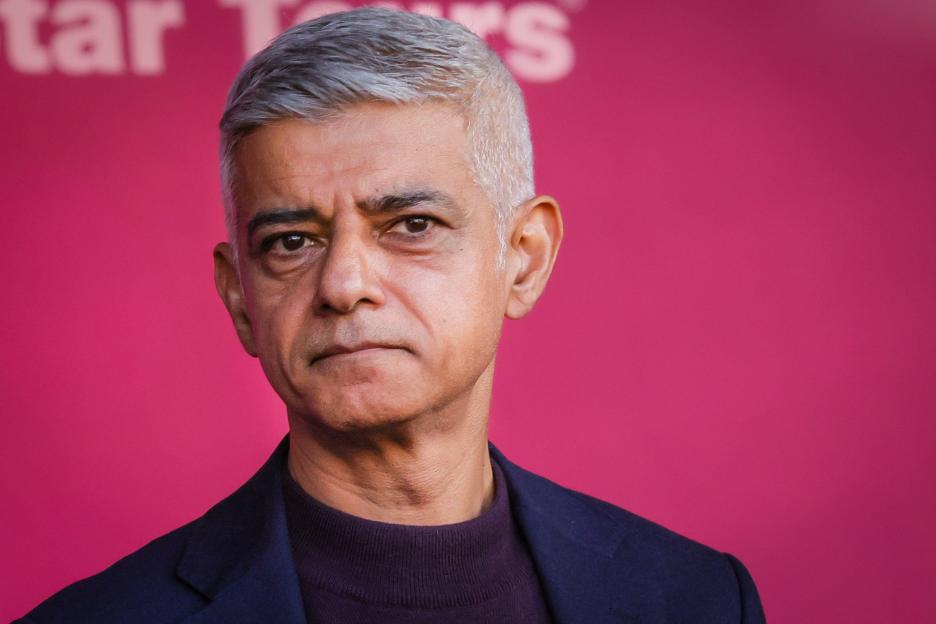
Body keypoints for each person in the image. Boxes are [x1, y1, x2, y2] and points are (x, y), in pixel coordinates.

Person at [17, 8, 766, 624]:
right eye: (291, 241)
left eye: (411, 225)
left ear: (524, 257)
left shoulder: (697, 598)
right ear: (240, 297)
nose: (344, 285)